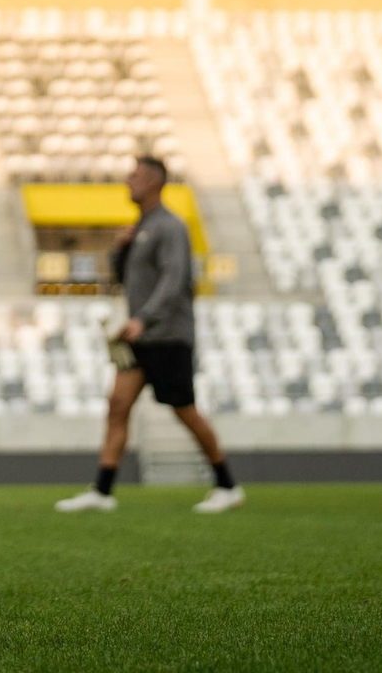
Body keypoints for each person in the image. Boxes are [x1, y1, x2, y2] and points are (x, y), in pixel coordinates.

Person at [55, 156, 245, 514]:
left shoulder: (171, 226)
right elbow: (124, 280)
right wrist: (119, 250)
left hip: (168, 335)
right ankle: (103, 490)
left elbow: (175, 281)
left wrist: (144, 318)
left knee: (184, 409)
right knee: (117, 406)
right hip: (141, 337)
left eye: (136, 175)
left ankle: (227, 485)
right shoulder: (139, 228)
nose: (128, 180)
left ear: (154, 182)